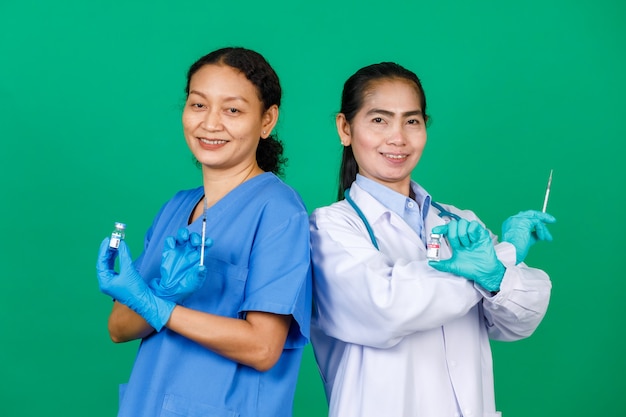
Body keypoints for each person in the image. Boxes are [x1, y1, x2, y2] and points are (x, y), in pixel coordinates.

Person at [309, 62, 556, 417]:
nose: (398, 138)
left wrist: (495, 275)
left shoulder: (461, 221)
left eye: (412, 121)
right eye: (379, 120)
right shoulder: (330, 227)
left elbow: (518, 322)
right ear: (345, 128)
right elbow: (388, 307)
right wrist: (506, 255)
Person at [96, 47, 312, 417]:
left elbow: (263, 347)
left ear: (267, 120)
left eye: (233, 110)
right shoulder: (176, 208)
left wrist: (157, 305)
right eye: (198, 105)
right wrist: (162, 291)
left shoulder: (279, 212)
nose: (210, 124)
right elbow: (119, 327)